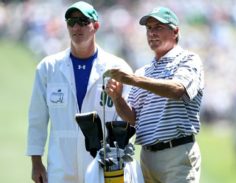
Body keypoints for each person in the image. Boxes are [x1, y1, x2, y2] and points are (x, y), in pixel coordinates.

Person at [26, 1, 132, 183]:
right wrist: (36, 162)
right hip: (60, 165)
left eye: (83, 21)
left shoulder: (117, 68)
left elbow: (127, 121)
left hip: (103, 166)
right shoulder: (48, 67)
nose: (76, 27)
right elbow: (37, 118)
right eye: (71, 21)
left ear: (95, 26)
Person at [105, 6, 204, 183]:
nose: (152, 33)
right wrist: (117, 97)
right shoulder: (143, 71)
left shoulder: (188, 59)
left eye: (158, 27)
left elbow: (177, 89)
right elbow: (133, 118)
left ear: (175, 31)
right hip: (147, 157)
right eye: (149, 28)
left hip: (177, 153)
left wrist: (134, 80)